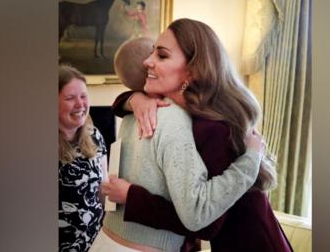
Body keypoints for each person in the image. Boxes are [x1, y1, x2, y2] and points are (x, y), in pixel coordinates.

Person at [105, 19, 293, 252]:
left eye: (161, 55)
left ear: (192, 71)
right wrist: (132, 100)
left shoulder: (211, 127)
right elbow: (119, 104)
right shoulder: (184, 114)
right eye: (152, 52)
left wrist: (132, 197)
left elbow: (205, 224)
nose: (147, 61)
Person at [58, 65, 108, 252]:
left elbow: (104, 189)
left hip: (94, 244)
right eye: (70, 98)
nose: (80, 105)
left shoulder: (95, 135)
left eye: (84, 96)